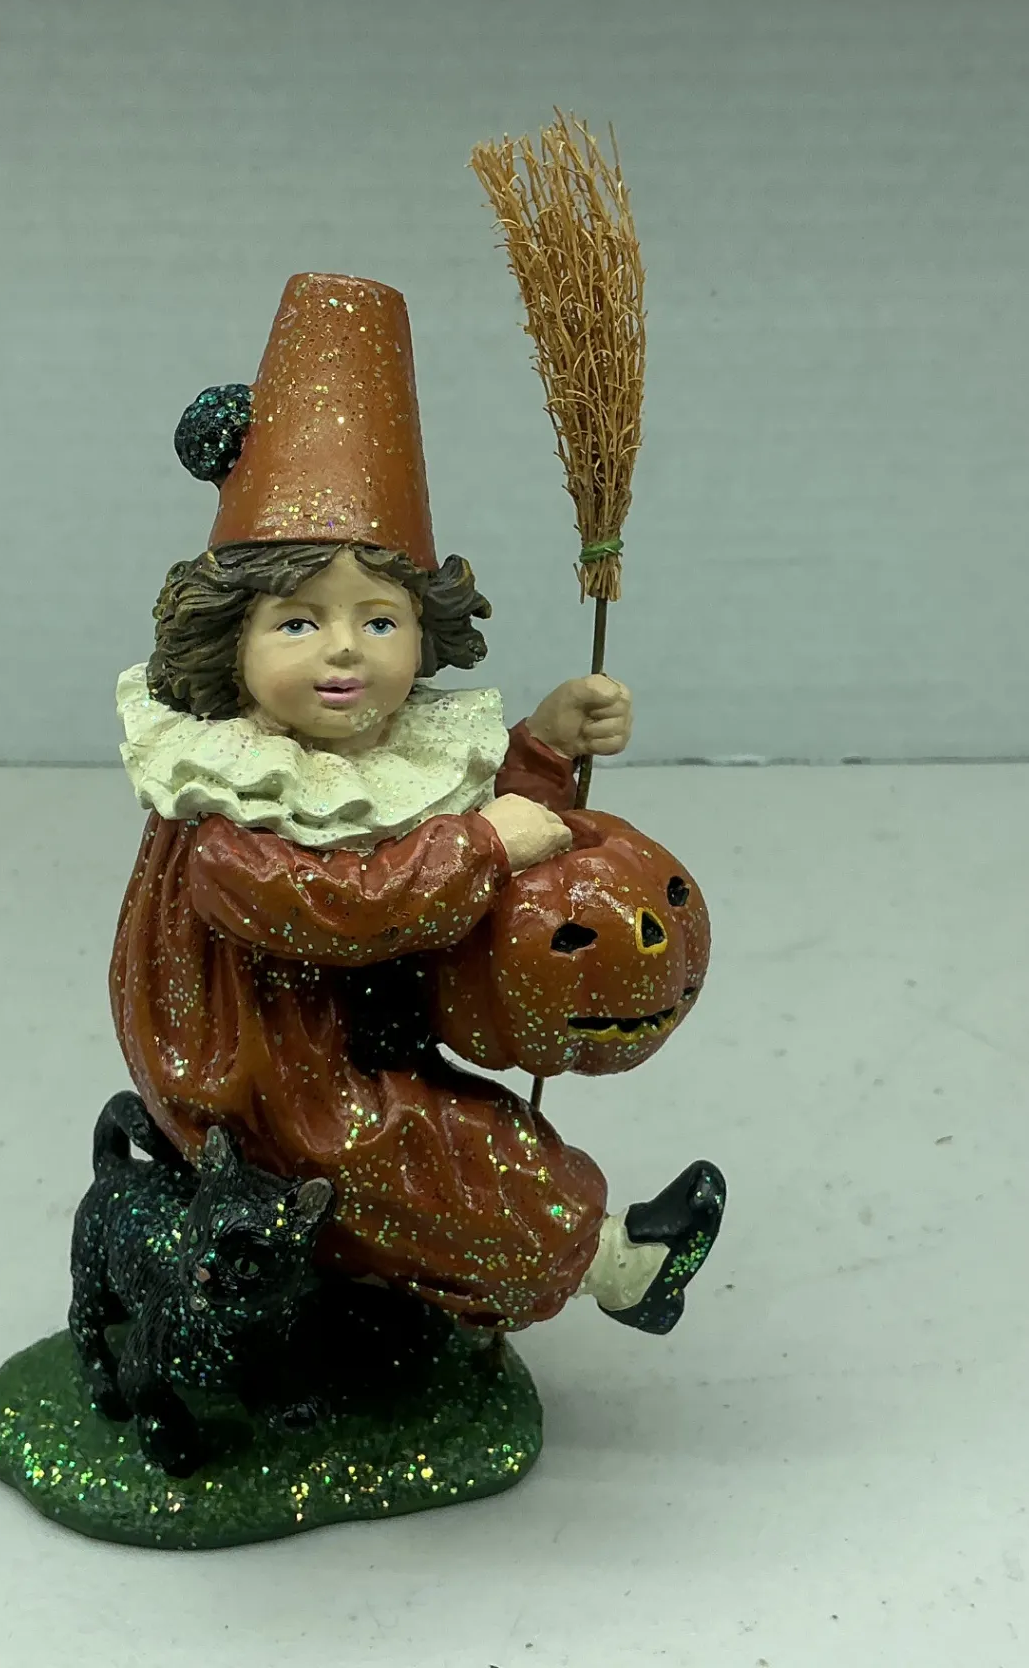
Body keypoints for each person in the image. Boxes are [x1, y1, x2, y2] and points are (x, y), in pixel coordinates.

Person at [110, 271, 723, 1333]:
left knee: (472, 1124)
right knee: (432, 1151)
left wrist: (544, 747)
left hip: (357, 1022)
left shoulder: (384, 749)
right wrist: (481, 849)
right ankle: (616, 1269)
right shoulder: (229, 801)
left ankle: (464, 1294)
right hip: (264, 1071)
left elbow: (438, 820)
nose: (345, 649)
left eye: (379, 620)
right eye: (298, 623)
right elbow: (333, 903)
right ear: (230, 638)